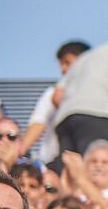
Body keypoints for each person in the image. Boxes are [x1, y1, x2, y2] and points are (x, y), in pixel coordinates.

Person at [51, 39, 108, 162]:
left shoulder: (83, 59)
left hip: (64, 120)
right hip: (97, 115)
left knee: (70, 171)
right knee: (98, 168)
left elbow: (57, 96)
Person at [18, 40, 88, 171]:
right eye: (61, 64)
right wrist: (18, 153)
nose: (63, 69)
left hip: (87, 164)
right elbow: (38, 124)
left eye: (67, 62)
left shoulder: (101, 96)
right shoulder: (52, 94)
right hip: (54, 165)